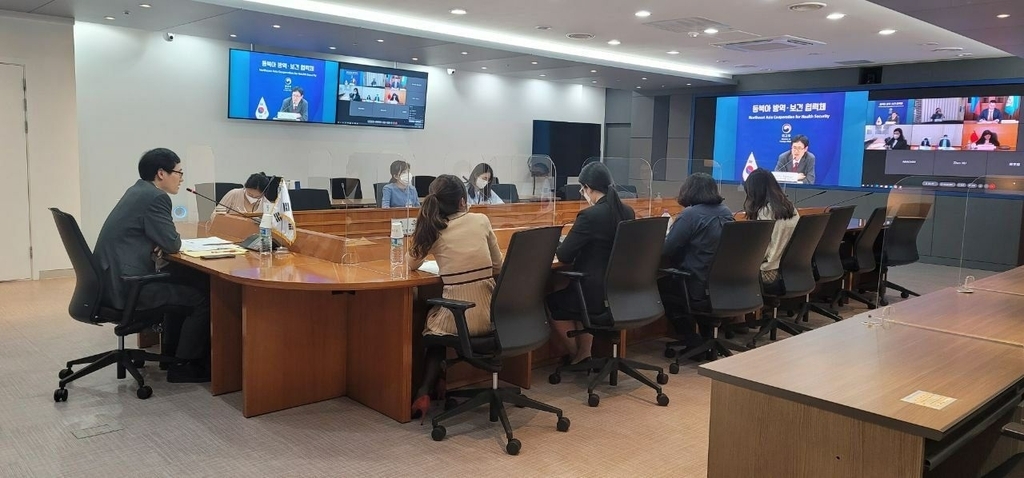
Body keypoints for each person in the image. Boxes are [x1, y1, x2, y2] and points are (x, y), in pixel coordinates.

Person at [93, 148, 211, 383]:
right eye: (178, 172)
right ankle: (184, 367)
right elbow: (173, 243)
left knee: (183, 281)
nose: (181, 178)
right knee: (201, 297)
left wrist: (156, 241)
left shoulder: (137, 191)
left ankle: (170, 355)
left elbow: (152, 236)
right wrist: (162, 241)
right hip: (128, 286)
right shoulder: (157, 197)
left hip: (110, 281)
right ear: (161, 173)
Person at [408, 175, 503, 420]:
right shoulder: (481, 220)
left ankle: (424, 390)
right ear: (463, 201)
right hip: (494, 317)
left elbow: (411, 263)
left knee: (434, 324)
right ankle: (439, 383)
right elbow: (497, 265)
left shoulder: (434, 230)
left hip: (459, 318)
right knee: (442, 318)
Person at [546, 162, 635, 365]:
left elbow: (565, 255)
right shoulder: (627, 212)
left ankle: (576, 355)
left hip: (594, 294)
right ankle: (584, 353)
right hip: (619, 294)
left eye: (582, 188)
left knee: (552, 302)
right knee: (566, 287)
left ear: (588, 188)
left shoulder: (589, 216)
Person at [660, 173, 734, 346]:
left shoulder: (690, 215)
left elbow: (667, 249)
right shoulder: (726, 212)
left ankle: (691, 338)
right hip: (722, 285)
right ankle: (707, 337)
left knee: (661, 285)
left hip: (696, 284)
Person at [742, 169, 800, 294]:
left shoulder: (765, 213)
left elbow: (760, 252)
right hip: (791, 271)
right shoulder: (791, 208)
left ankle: (746, 310)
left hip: (769, 273)